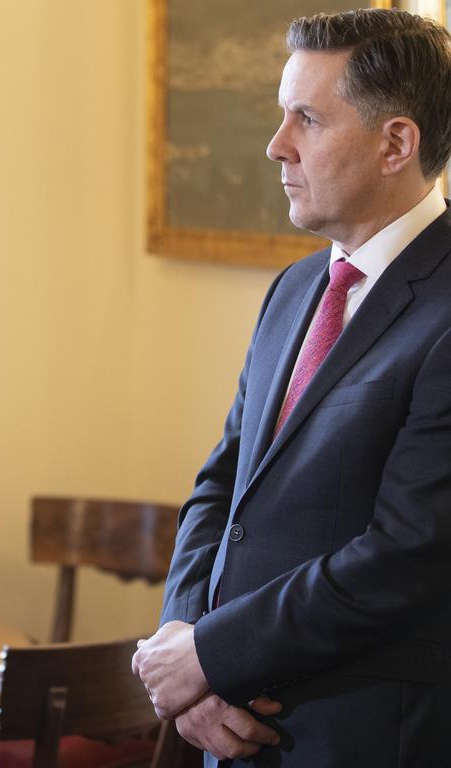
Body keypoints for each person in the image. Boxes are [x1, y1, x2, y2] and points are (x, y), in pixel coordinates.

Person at [132, 8, 451, 767]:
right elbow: (221, 487)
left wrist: (212, 653)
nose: (277, 146)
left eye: (306, 119)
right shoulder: (296, 288)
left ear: (395, 143)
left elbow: (409, 552)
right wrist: (190, 655)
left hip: (368, 739)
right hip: (232, 733)